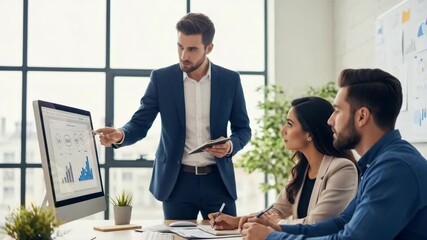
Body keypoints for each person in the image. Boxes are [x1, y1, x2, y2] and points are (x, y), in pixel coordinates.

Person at [96, 13, 251, 220]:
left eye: (192, 49)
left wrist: (231, 145)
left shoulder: (230, 80)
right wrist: (120, 135)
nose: (184, 55)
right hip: (177, 183)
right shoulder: (162, 79)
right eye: (180, 47)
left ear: (209, 48)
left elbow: (243, 129)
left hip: (218, 182)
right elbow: (140, 123)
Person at [240, 68, 427, 240]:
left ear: (362, 116)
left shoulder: (395, 168)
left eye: (337, 111)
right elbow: (341, 223)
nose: (330, 121)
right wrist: (278, 230)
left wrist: (270, 237)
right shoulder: (379, 163)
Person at [209, 97, 358, 229]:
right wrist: (238, 221)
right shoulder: (302, 168)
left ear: (309, 134)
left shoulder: (343, 169)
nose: (283, 130)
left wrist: (277, 222)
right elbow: (276, 210)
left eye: (290, 124)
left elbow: (316, 224)